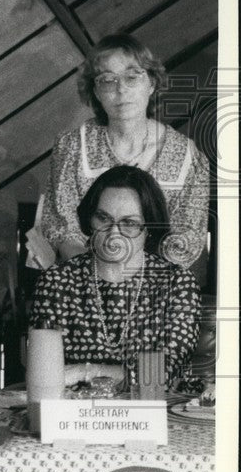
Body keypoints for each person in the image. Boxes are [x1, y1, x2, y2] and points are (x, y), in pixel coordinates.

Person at [36, 33, 209, 268]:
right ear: (96, 92)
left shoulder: (186, 156)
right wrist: (97, 275)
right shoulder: (72, 147)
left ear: (152, 83)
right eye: (108, 80)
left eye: (132, 77)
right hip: (81, 276)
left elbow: (187, 238)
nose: (121, 90)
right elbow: (62, 227)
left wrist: (139, 280)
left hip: (158, 281)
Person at [30, 166, 200, 390]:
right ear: (90, 219)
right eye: (103, 218)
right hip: (75, 409)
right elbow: (45, 371)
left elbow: (166, 374)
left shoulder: (177, 284)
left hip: (152, 408)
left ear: (149, 227)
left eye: (129, 223)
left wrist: (86, 371)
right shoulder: (57, 281)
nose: (114, 233)